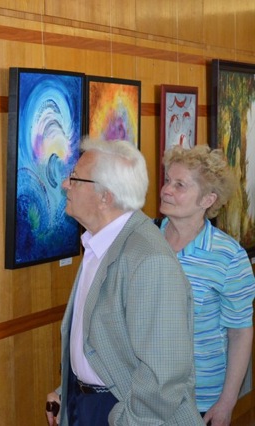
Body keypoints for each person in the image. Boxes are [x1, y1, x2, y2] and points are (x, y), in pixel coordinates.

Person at [46, 138, 203, 425]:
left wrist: (123, 421)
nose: (65, 184)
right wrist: (67, 391)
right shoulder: (99, 243)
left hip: (127, 412)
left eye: (75, 178)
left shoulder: (149, 259)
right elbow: (104, 340)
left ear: (105, 196)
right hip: (88, 403)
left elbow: (163, 377)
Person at [157, 145, 255, 426]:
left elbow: (240, 334)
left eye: (179, 185)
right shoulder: (146, 241)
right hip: (145, 394)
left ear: (207, 199)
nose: (166, 190)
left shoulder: (228, 257)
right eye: (167, 180)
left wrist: (227, 402)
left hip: (200, 399)